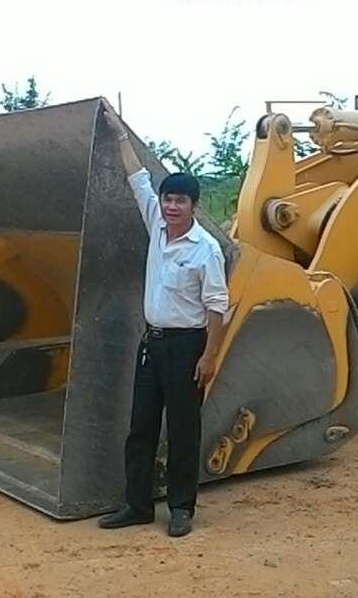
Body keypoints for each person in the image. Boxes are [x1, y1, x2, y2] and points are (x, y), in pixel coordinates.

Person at [98, 110, 228, 537]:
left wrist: (210, 357)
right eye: (168, 199)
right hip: (151, 345)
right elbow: (137, 177)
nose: (172, 207)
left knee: (183, 430)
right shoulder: (155, 222)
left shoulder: (205, 249)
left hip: (187, 348)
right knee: (141, 428)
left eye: (180, 201)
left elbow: (217, 307)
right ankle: (136, 505)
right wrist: (120, 133)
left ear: (194, 206)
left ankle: (181, 508)